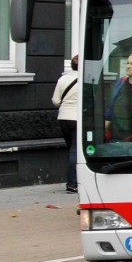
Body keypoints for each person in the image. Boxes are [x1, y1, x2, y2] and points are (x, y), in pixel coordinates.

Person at [52, 55, 80, 193]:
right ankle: (72, 184)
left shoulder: (62, 79)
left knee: (70, 149)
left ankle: (72, 180)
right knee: (75, 150)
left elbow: (56, 101)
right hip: (77, 118)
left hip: (63, 118)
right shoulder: (85, 79)